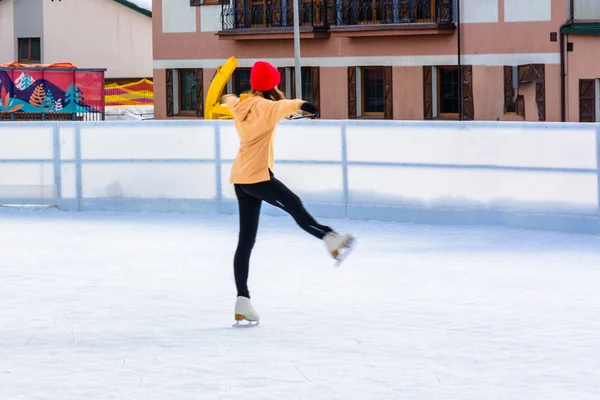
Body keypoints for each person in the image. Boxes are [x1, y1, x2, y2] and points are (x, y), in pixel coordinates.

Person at [222, 60, 354, 325]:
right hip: (258, 176)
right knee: (293, 203)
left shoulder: (242, 106)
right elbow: (287, 105)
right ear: (273, 84)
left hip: (241, 178)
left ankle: (242, 301)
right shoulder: (267, 107)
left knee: (246, 240)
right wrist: (307, 107)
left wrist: (228, 98)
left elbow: (229, 98)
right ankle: (329, 237)